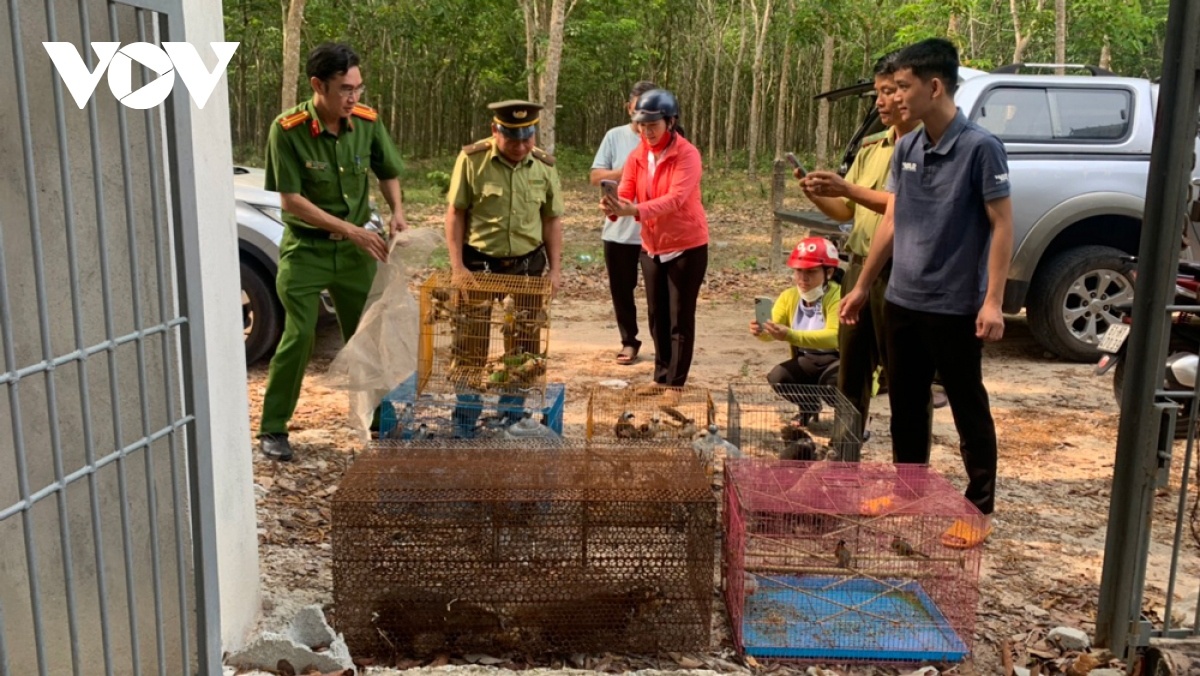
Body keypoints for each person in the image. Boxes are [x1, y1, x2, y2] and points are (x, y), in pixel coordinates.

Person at [840, 38, 1013, 549]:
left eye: (903, 87)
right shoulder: (908, 146)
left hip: (956, 304)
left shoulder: (981, 147)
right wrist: (864, 285)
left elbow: (1002, 224)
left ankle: (979, 508)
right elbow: (893, 218)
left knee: (966, 404)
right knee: (907, 403)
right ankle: (906, 489)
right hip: (903, 301)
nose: (894, 97)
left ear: (933, 86)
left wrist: (993, 300)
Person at [258, 42, 407, 462]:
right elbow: (291, 200)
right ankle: (273, 428)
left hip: (356, 255)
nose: (354, 97)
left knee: (366, 335)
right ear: (317, 85)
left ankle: (380, 423)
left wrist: (397, 211)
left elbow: (388, 170)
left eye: (358, 87)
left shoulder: (366, 121)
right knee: (299, 335)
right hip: (307, 250)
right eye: (344, 89)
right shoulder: (286, 130)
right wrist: (351, 230)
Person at [800, 52, 923, 440]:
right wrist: (818, 194)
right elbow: (845, 211)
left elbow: (905, 205)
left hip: (899, 271)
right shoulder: (872, 148)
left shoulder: (929, 149)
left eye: (889, 92)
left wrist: (847, 188)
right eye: (878, 93)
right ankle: (844, 456)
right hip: (857, 268)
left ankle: (909, 472)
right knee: (851, 370)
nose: (880, 102)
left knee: (904, 375)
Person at [444, 100, 564, 434]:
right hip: (478, 263)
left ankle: (513, 414)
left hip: (527, 264)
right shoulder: (472, 160)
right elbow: (456, 213)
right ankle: (466, 417)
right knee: (470, 341)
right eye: (513, 140)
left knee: (524, 344)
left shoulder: (543, 165)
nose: (522, 147)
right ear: (495, 131)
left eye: (528, 139)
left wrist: (555, 270)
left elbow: (552, 219)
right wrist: (457, 267)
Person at [601, 89, 708, 405]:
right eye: (641, 125)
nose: (647, 132)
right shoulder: (637, 155)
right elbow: (628, 190)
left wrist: (633, 211)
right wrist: (613, 204)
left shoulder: (687, 154)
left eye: (653, 125)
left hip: (687, 246)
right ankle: (660, 377)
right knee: (657, 314)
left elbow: (675, 199)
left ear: (670, 121)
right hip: (651, 244)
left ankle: (675, 385)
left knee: (679, 316)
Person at [591, 80, 659, 365]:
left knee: (659, 295)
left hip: (654, 233)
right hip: (619, 231)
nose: (643, 114)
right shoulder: (614, 136)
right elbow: (596, 176)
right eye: (637, 105)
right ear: (628, 107)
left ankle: (663, 347)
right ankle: (629, 342)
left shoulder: (663, 138)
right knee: (622, 291)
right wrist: (626, 169)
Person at [750, 237, 842, 421]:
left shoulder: (838, 295)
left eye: (811, 272)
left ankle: (853, 421)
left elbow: (834, 337)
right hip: (808, 358)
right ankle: (809, 408)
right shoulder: (789, 297)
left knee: (832, 384)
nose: (803, 278)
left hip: (838, 359)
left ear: (829, 272)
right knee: (779, 377)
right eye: (798, 271)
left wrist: (791, 335)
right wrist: (762, 332)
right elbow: (773, 331)